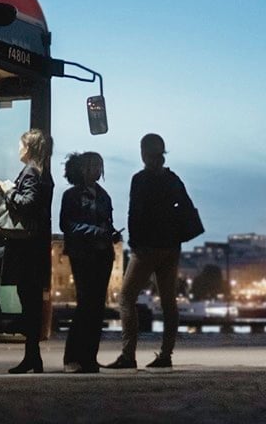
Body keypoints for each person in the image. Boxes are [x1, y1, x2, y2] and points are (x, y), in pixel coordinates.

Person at [106, 133, 188, 370]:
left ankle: (128, 354)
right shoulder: (173, 179)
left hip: (146, 248)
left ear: (143, 152)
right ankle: (165, 355)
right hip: (171, 247)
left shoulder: (140, 179)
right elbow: (185, 209)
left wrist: (134, 243)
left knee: (126, 298)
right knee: (168, 302)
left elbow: (135, 213)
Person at [0, 128, 54, 373]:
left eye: (21, 145)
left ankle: (0, 319)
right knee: (31, 302)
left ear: (29, 148)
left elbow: (28, 202)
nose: (18, 149)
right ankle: (33, 357)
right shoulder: (44, 174)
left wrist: (7, 188)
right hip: (36, 246)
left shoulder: (30, 171)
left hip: (26, 248)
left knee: (27, 299)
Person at [59, 152, 116, 374]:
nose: (96, 170)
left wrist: (111, 234)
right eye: (92, 165)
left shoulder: (104, 196)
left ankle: (90, 357)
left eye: (99, 166)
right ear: (82, 169)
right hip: (82, 254)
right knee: (85, 305)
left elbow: (107, 223)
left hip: (103, 254)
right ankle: (72, 357)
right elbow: (67, 224)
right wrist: (96, 231)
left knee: (97, 307)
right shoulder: (71, 195)